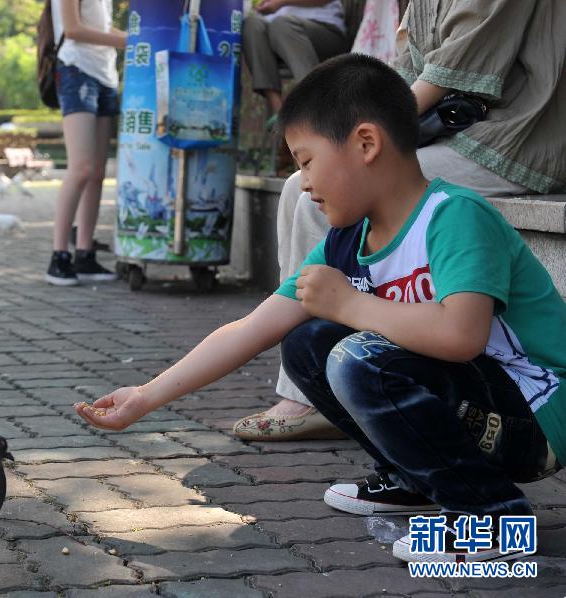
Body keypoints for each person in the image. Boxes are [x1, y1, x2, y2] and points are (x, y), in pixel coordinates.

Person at [76, 54, 566, 563]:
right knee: (307, 345)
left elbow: (461, 335)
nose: (303, 182)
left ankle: (495, 518)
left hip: (534, 417)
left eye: (307, 161)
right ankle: (416, 481)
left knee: (358, 358)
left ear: (366, 143)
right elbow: (249, 328)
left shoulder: (454, 216)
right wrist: (146, 396)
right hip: (476, 398)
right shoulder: (344, 242)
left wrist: (351, 303)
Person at [234, 0, 566, 440]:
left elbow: (451, 70)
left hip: (507, 140)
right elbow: (403, 72)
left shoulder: (459, 214)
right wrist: (148, 395)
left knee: (321, 190)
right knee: (304, 188)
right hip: (434, 132)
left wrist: (355, 132)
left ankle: (338, 387)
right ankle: (324, 385)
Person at [46, 0, 126, 286]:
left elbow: (101, 27)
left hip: (106, 75)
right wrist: (129, 40)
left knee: (97, 173)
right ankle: (59, 256)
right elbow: (73, 29)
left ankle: (84, 253)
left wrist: (131, 38)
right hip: (76, 69)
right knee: (80, 168)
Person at [242, 0, 348, 121]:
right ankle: (279, 113)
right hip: (276, 36)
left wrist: (280, 2)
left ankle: (314, 107)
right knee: (252, 24)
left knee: (282, 25)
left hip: (324, 30)